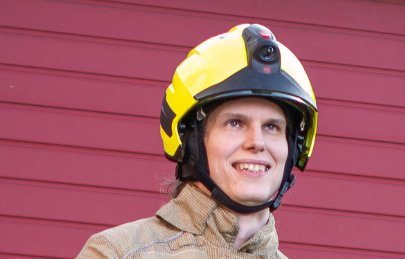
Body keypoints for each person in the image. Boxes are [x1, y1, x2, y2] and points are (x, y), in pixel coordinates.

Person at [77, 23, 318, 258]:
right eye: (235, 123)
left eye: (272, 126)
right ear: (190, 138)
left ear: (294, 148)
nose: (257, 142)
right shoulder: (116, 253)